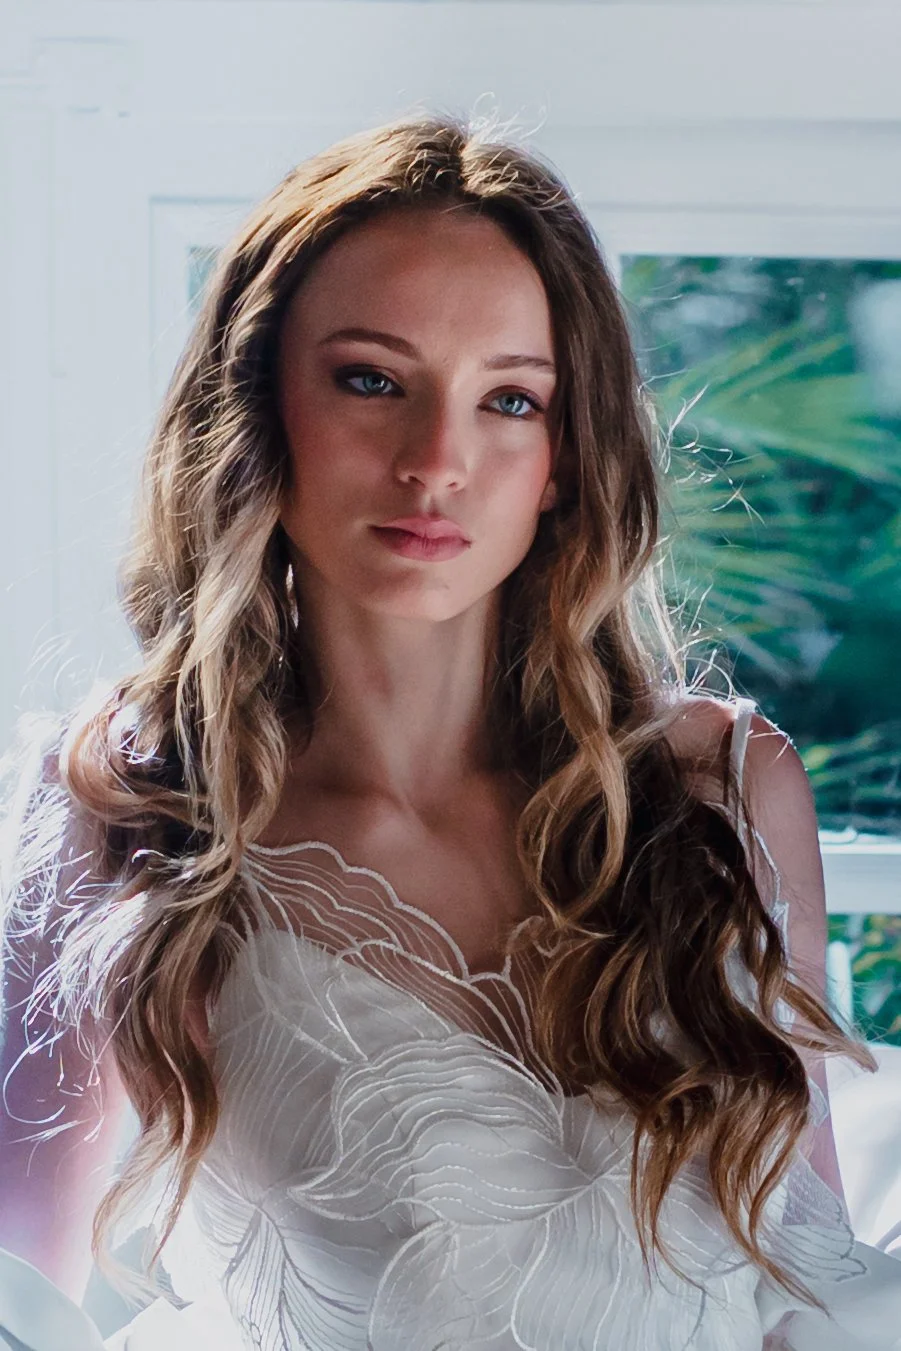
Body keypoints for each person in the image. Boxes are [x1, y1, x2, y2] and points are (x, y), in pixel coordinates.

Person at [0, 111, 899, 1351]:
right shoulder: (123, 802)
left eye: (509, 400)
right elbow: (18, 1295)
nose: (437, 460)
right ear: (255, 403)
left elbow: (809, 1267)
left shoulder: (721, 790)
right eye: (372, 380)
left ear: (564, 456)